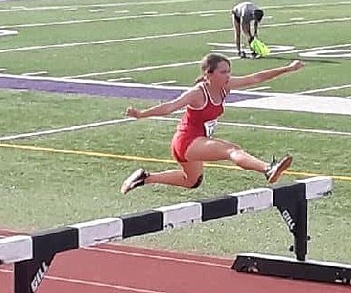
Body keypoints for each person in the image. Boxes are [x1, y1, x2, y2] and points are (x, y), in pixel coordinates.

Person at [120, 53, 304, 195]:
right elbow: (170, 107)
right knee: (231, 150)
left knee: (192, 181)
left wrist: (287, 69)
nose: (228, 75)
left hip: (197, 143)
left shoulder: (225, 86)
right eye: (223, 72)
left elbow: (256, 78)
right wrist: (141, 114)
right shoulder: (198, 93)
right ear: (208, 74)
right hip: (187, 142)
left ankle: (146, 177)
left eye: (229, 71)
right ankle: (267, 168)